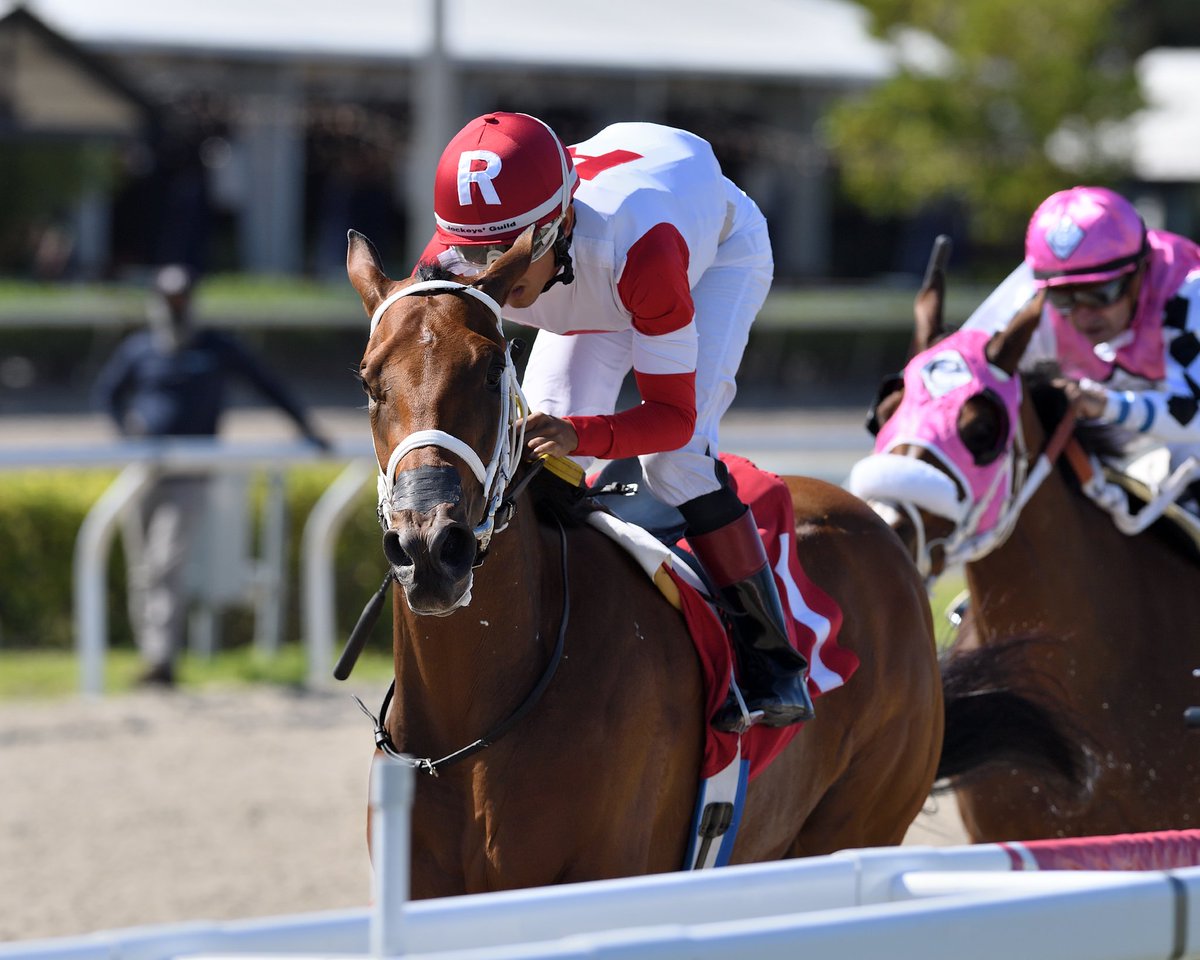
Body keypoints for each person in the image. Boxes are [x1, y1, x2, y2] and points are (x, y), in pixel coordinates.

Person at [416, 112, 812, 732]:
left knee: (676, 464)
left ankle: (771, 660)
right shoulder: (450, 258)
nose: (491, 274)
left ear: (557, 226)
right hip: (603, 262)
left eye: (508, 255)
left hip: (706, 259)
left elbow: (673, 419)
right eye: (471, 254)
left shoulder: (644, 255)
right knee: (537, 456)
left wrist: (586, 434)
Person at [93, 264, 330, 686]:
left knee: (164, 562)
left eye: (182, 298)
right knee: (142, 566)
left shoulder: (215, 347)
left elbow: (267, 384)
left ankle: (161, 660)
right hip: (144, 468)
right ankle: (151, 653)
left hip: (192, 469)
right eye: (169, 299)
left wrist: (307, 428)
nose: (176, 307)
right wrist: (125, 426)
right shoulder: (140, 348)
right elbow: (108, 393)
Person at [964, 185, 1200, 484]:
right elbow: (962, 375)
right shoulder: (1035, 294)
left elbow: (1193, 416)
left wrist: (1105, 404)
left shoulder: (1190, 291)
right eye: (1063, 299)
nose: (1082, 315)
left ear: (1141, 270)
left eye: (1099, 294)